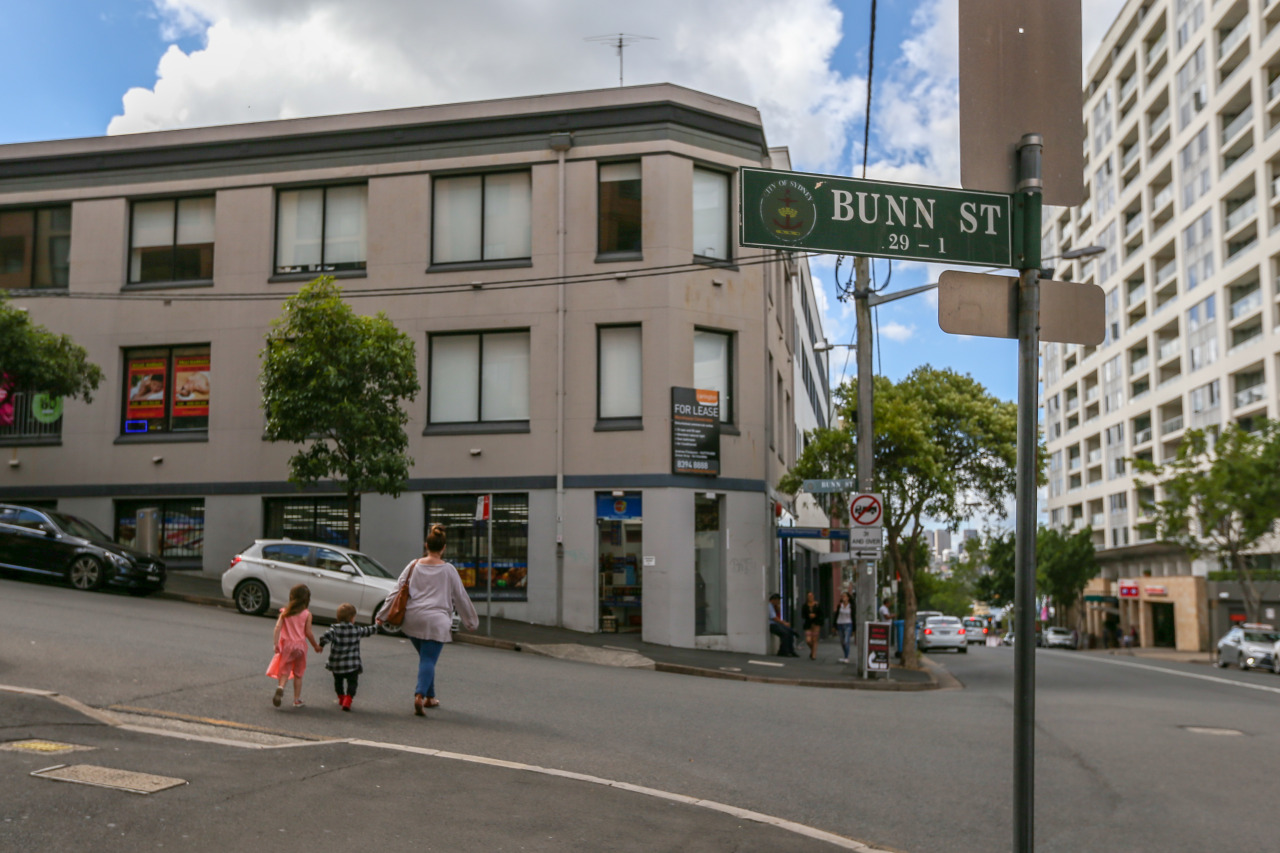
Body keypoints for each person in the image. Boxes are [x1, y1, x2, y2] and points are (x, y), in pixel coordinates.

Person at [378, 523, 479, 716]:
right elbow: (461, 597)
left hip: (412, 620)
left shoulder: (413, 565)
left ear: (426, 545)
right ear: (443, 548)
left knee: (427, 659)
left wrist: (381, 616)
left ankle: (431, 697)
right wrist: (471, 622)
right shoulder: (449, 570)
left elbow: (397, 591)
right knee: (428, 660)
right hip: (436, 621)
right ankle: (420, 695)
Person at [267, 584, 322, 708]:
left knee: (285, 671)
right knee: (298, 673)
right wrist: (315, 646)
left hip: (286, 645)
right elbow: (308, 633)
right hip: (300, 647)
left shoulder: (285, 612)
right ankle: (296, 699)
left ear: (291, 596)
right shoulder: (307, 614)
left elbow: (277, 628)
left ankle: (280, 687)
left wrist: (276, 643)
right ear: (307, 599)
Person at [318, 602, 379, 712]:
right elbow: (369, 630)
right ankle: (348, 699)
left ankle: (341, 697)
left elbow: (325, 637)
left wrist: (321, 645)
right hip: (352, 665)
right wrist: (377, 625)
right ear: (352, 618)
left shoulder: (335, 630)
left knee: (338, 682)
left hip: (337, 664)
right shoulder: (356, 630)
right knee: (352, 682)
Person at [801, 591, 823, 660]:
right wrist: (808, 615)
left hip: (816, 623)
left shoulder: (817, 605)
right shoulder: (805, 606)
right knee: (808, 640)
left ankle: (814, 654)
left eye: (811, 596)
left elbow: (821, 614)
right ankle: (812, 650)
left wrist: (815, 615)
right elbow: (803, 615)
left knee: (814, 639)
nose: (810, 598)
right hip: (808, 623)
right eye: (809, 596)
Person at [833, 591, 854, 663]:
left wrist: (854, 629)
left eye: (845, 596)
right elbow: (836, 615)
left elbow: (853, 616)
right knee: (842, 641)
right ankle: (845, 655)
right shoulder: (840, 605)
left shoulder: (851, 606)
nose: (843, 598)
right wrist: (834, 625)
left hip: (848, 624)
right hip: (840, 624)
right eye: (842, 596)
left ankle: (846, 657)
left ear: (848, 598)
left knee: (846, 641)